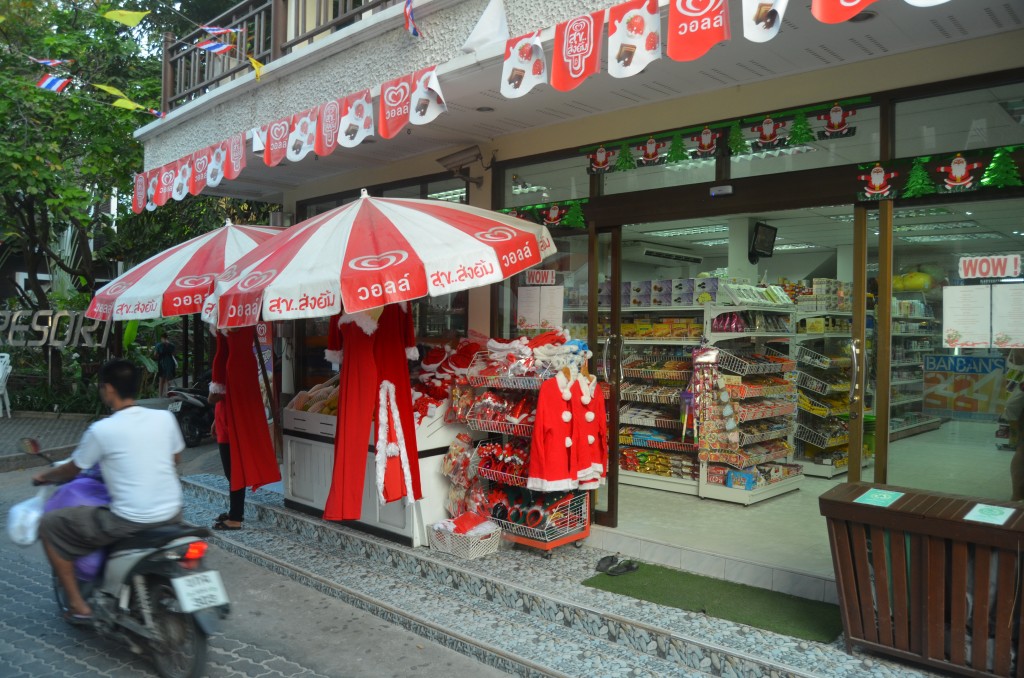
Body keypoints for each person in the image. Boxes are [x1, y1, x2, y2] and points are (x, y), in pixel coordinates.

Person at [34, 359, 185, 623]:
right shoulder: (165, 418)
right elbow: (174, 460)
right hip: (173, 513)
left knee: (48, 525)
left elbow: (73, 470)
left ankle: (79, 605)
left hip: (129, 520)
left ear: (108, 389)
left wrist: (44, 476)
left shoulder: (102, 429)